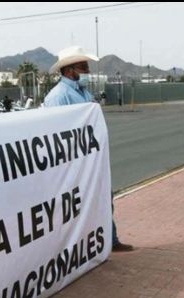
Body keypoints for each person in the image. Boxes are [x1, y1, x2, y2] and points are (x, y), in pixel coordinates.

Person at [44, 46, 133, 252]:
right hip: (74, 163)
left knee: (103, 199)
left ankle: (110, 240)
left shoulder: (84, 92)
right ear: (68, 70)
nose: (87, 71)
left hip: (92, 159)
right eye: (83, 67)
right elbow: (56, 134)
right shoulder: (58, 97)